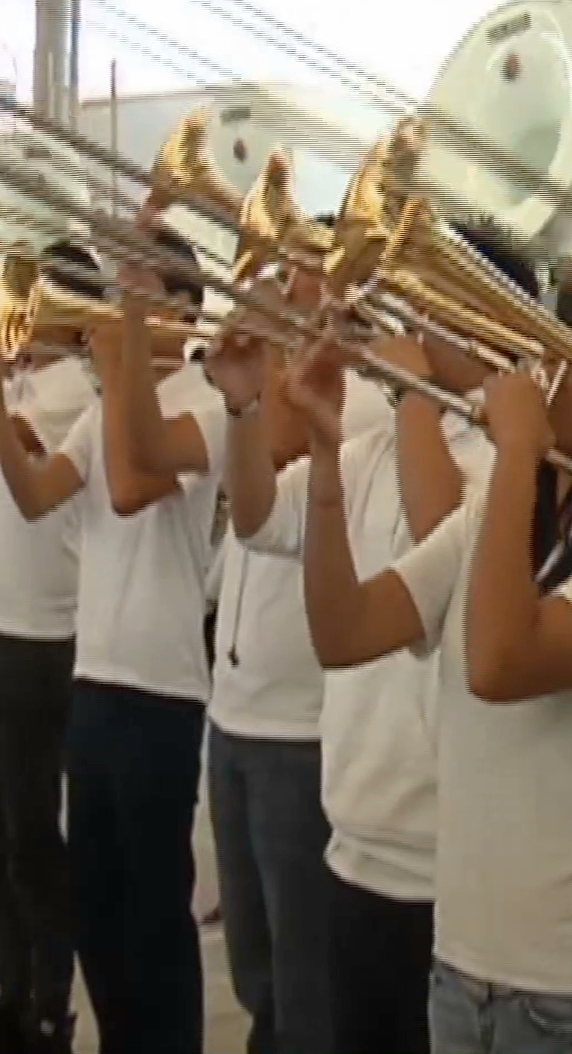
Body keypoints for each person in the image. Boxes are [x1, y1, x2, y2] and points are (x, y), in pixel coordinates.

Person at [286, 283, 572, 1054]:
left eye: (569, 355)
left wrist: (515, 451)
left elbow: (500, 663)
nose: (539, 368)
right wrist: (322, 454)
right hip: (459, 970)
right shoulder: (495, 520)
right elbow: (343, 630)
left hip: (568, 994)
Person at [227, 227, 531, 1054]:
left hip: (449, 869)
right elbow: (253, 514)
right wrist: (245, 403)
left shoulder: (508, 465)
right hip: (351, 847)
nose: (406, 325)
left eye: (428, 309)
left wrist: (412, 392)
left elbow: (438, 537)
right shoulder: (367, 451)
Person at [0, 226, 223, 1054]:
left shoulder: (206, 407)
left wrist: (122, 336)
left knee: (156, 916)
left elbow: (132, 486)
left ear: (182, 312)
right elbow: (34, 496)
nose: (121, 307)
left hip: (164, 693)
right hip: (94, 685)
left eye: (143, 292)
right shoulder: (99, 411)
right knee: (95, 906)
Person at [197, 268, 391, 1054]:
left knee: (304, 987)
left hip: (301, 731)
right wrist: (241, 397)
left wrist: (270, 361)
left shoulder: (364, 399)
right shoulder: (292, 382)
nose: (274, 289)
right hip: (234, 715)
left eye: (295, 277)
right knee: (258, 979)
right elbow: (252, 516)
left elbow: (282, 441)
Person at [0, 242, 98, 1054]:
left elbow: (21, 449)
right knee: (5, 829)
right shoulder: (25, 377)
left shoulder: (69, 388)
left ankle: (48, 1001)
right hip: (6, 627)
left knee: (34, 832)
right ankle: (10, 985)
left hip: (42, 636)